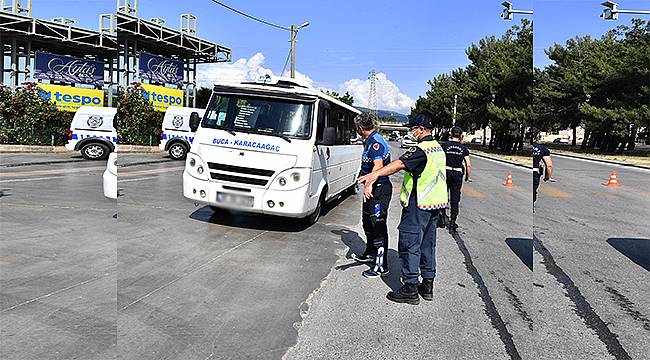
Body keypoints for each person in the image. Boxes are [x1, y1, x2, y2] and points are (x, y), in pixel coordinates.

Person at [358, 113, 448, 305]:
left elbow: (398, 165)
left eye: (413, 129)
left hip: (418, 205)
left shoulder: (421, 149)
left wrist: (374, 176)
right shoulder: (438, 148)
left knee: (409, 245)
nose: (411, 132)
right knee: (427, 245)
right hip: (435, 205)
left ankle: (410, 288)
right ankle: (428, 284)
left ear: (421, 130)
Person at [349, 113, 392, 278]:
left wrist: (369, 184)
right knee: (367, 221)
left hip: (379, 190)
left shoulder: (375, 143)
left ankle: (381, 266)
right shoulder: (368, 140)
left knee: (378, 226)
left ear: (360, 128)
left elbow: (378, 166)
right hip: (372, 189)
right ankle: (371, 251)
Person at [442, 126, 471, 233]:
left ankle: (441, 218)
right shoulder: (463, 149)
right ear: (461, 135)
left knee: (443, 195)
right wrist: (467, 176)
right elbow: (468, 165)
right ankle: (453, 221)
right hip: (457, 174)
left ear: (451, 134)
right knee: (455, 198)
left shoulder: (445, 146)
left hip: (445, 172)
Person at [531, 127, 555, 208]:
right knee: (533, 192)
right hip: (534, 174)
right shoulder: (542, 149)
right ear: (537, 135)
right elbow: (549, 165)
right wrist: (547, 177)